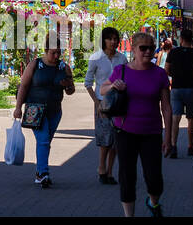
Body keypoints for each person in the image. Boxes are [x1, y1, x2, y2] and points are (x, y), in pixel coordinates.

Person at [101, 31, 172, 216]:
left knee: (154, 178)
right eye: (143, 48)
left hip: (152, 132)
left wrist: (169, 137)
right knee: (127, 176)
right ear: (133, 49)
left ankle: (153, 202)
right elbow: (103, 88)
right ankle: (129, 214)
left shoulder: (159, 74)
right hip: (125, 131)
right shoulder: (122, 71)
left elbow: (166, 107)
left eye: (151, 47)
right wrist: (113, 85)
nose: (148, 51)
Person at [12, 30, 75, 187]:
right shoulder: (35, 65)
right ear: (46, 51)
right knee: (44, 141)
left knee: (45, 142)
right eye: (53, 53)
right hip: (35, 109)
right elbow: (24, 86)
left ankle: (40, 172)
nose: (56, 56)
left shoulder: (64, 67)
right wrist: (18, 108)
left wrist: (68, 86)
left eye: (59, 53)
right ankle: (42, 173)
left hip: (55, 111)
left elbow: (70, 91)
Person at [84, 26, 127, 185]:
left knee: (116, 139)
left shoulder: (122, 59)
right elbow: (88, 83)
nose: (113, 42)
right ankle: (101, 168)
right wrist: (97, 103)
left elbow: (127, 78)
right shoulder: (96, 58)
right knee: (105, 138)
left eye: (115, 39)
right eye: (110, 39)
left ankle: (110, 171)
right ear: (104, 41)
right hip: (103, 102)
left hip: (119, 103)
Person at [165, 35, 193, 158]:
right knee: (191, 118)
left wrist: (175, 75)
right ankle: (191, 147)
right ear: (191, 41)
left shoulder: (173, 52)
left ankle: (173, 146)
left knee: (175, 118)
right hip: (192, 89)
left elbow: (166, 70)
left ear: (181, 40)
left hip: (176, 88)